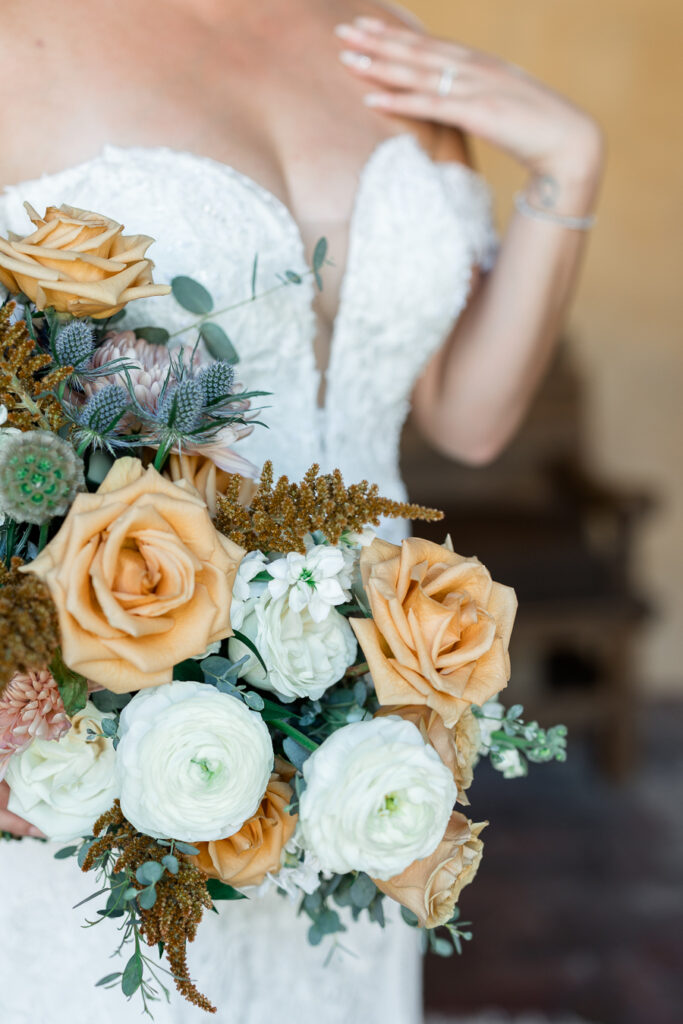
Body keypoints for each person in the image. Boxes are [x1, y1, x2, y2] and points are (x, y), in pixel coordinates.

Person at [0, 1, 604, 1021]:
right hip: (96, 692)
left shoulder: (384, 43)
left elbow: (469, 417)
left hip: (370, 711)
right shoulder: (25, 36)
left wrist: (568, 164)